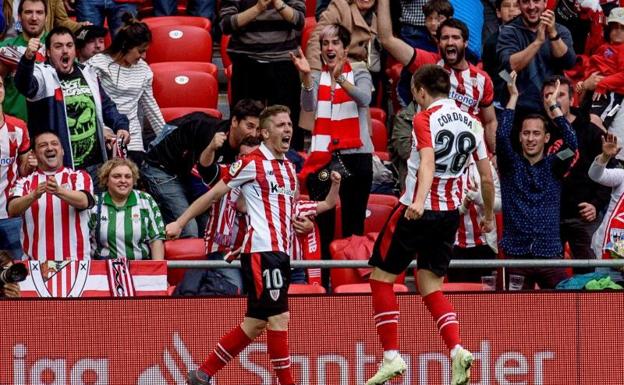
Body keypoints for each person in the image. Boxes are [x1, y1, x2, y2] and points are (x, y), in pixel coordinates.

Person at [366, 64, 495, 385]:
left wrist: (419, 201)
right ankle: (456, 350)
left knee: (381, 279)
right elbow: (486, 176)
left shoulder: (425, 118)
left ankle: (391, 356)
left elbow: (426, 162)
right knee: (429, 285)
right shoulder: (474, 123)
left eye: (416, 94)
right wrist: (488, 214)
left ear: (422, 91)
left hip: (417, 209)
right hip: (450, 214)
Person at [165, 105, 299, 385]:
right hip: (266, 253)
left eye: (289, 124)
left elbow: (275, 212)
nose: (287, 129)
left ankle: (202, 375)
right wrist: (180, 222)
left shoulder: (289, 168)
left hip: (275, 253)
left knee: (255, 323)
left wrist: (246, 243)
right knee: (279, 318)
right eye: (280, 125)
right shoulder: (252, 163)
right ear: (264, 132)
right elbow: (213, 195)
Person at [292, 24, 373, 279]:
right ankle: (323, 280)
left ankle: (351, 282)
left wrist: (340, 79)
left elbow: (364, 99)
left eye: (335, 43)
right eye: (325, 43)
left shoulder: (360, 70)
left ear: (345, 48)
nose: (329, 48)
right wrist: (306, 78)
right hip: (324, 160)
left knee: (353, 222)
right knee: (322, 221)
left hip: (356, 157)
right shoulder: (316, 76)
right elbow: (308, 105)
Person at [377, 0, 498, 150]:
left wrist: (494, 153)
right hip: (431, 150)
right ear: (438, 42)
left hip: (467, 155)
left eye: (455, 38)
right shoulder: (428, 63)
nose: (450, 42)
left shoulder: (481, 79)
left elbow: (490, 121)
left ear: (465, 42)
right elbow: (387, 40)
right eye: (445, 38)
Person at [14, 26, 130, 183]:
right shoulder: (42, 76)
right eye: (58, 46)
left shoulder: (87, 73)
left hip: (96, 167)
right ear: (48, 52)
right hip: (61, 170)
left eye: (69, 45)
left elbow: (106, 106)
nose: (65, 51)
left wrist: (121, 125)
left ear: (75, 50)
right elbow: (24, 85)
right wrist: (28, 59)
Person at [496, 72, 576, 289]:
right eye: (526, 133)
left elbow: (571, 144)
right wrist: (513, 96)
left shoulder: (555, 165)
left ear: (546, 138)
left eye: (536, 134)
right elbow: (502, 137)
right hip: (517, 255)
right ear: (520, 136)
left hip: (549, 254)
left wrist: (553, 107)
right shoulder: (510, 164)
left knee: (558, 314)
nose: (531, 139)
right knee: (513, 316)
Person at [142, 99, 264, 238]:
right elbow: (204, 175)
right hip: (162, 170)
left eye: (258, 129)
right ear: (235, 121)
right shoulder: (210, 134)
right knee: (189, 230)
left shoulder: (251, 145)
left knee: (211, 229)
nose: (254, 134)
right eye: (249, 126)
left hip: (189, 178)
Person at [542, 76, 610, 275]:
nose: (553, 100)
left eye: (559, 95)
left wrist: (596, 205)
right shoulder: (538, 131)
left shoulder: (590, 130)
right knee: (551, 277)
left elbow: (609, 172)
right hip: (551, 218)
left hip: (583, 217)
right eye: (548, 96)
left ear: (572, 100)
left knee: (588, 278)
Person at [220, 0, 305, 150]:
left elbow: (299, 21)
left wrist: (278, 3)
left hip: (282, 62)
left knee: (286, 122)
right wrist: (259, 7)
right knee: (244, 123)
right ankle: (239, 165)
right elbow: (226, 25)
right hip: (247, 62)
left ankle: (291, 167)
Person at [87, 14, 165, 166]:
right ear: (126, 47)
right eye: (140, 51)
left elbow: (151, 107)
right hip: (104, 134)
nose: (144, 56)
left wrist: (167, 136)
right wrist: (101, 130)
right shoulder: (98, 64)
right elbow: (91, 103)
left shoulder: (144, 69)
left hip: (133, 137)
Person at [7, 131, 94, 260]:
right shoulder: (24, 181)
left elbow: (84, 202)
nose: (49, 148)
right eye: (43, 145)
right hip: (36, 264)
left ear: (63, 151)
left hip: (75, 261)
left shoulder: (79, 176)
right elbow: (12, 210)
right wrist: (33, 195)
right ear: (34, 154)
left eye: (54, 144)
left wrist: (59, 191)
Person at [496, 0, 576, 115]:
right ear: (519, 5)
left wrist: (553, 34)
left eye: (536, 1)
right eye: (525, 2)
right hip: (519, 109)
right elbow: (510, 66)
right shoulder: (509, 31)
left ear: (545, 2)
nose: (532, 6)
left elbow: (569, 62)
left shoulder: (560, 30)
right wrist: (538, 42)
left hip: (552, 106)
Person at [89, 158, 165, 260]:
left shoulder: (145, 200)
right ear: (106, 180)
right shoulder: (95, 203)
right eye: (117, 176)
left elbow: (156, 239)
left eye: (128, 177)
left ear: (133, 180)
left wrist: (157, 272)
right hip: (103, 271)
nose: (123, 181)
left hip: (140, 269)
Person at [449, 157, 501, 283]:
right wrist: (465, 204)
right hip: (454, 245)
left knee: (483, 295)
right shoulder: (445, 166)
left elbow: (499, 205)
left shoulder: (486, 167)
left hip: (483, 245)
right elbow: (443, 207)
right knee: (458, 296)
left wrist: (480, 198)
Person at [396, 0, 454, 107]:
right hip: (411, 98)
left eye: (438, 19)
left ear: (449, 20)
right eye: (429, 19)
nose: (433, 23)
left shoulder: (454, 46)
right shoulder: (416, 45)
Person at [0, 77, 33, 260]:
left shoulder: (18, 127)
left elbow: (24, 172)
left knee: (17, 271)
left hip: (9, 215)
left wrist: (30, 165)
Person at [577, 7, 624, 132]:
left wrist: (603, 83)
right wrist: (584, 82)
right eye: (614, 27)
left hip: (611, 94)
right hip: (593, 91)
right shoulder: (604, 47)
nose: (618, 31)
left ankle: (605, 149)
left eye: (622, 28)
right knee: (582, 119)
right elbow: (591, 65)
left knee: (595, 121)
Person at [0, 0, 48, 122]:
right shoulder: (5, 48)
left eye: (39, 12)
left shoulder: (58, 45)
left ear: (46, 17)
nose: (34, 17)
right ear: (19, 17)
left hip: (49, 128)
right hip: (15, 129)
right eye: (28, 12)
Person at [588, 133, 624, 281]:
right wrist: (604, 158)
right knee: (604, 304)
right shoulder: (622, 176)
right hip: (608, 260)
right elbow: (595, 175)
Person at [481, 0, 520, 112]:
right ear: (498, 12)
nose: (512, 9)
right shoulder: (491, 42)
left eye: (516, 6)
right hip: (502, 100)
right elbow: (494, 72)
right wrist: (512, 81)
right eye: (507, 6)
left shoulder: (533, 36)